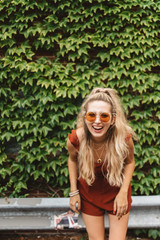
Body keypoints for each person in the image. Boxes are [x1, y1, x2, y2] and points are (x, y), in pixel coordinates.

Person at [67, 87, 136, 240]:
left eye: (104, 116)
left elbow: (130, 163)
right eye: (92, 115)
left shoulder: (124, 138)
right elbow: (72, 160)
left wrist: (123, 193)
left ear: (112, 119)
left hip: (116, 191)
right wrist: (74, 192)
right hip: (89, 192)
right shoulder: (75, 139)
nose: (97, 121)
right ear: (85, 117)